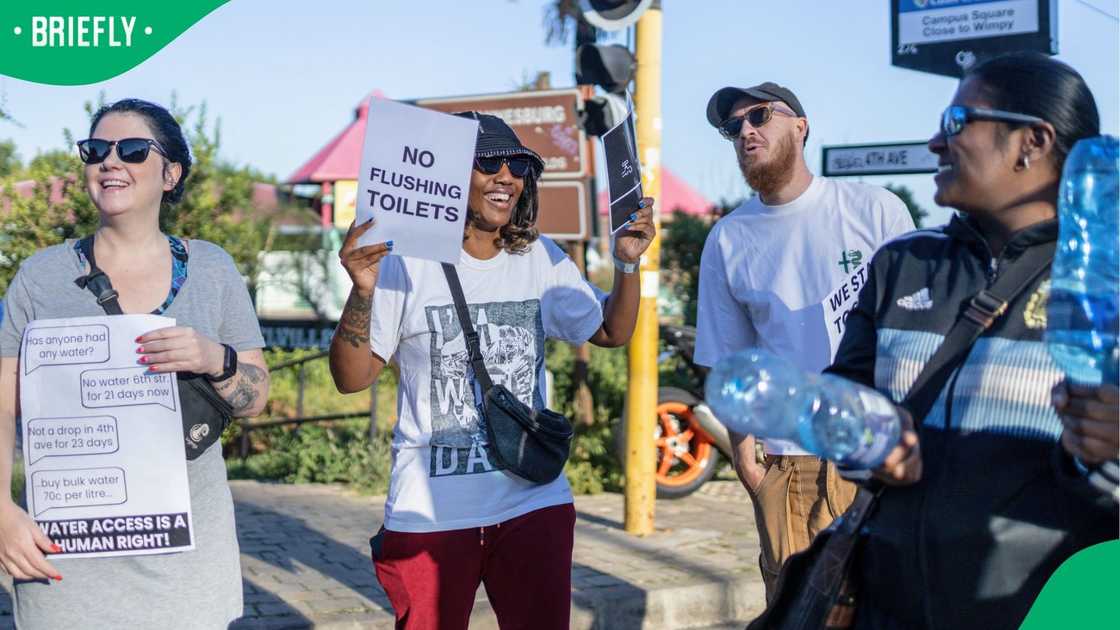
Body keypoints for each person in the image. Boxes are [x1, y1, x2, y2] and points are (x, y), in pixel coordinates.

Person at [826, 52, 1119, 629]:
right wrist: (863, 437)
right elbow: (840, 395)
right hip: (889, 608)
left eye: (956, 122)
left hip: (1049, 611)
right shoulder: (902, 264)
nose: (936, 142)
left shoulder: (1103, 283)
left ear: (1031, 142)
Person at [328, 112, 654, 630]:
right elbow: (351, 378)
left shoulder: (539, 258)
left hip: (534, 502)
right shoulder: (401, 263)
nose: (507, 176)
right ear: (447, 177)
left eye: (518, 165)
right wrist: (362, 291)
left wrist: (628, 263)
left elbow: (610, 332)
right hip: (431, 512)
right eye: (488, 163)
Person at [0, 98, 269, 628]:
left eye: (133, 150)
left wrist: (214, 357)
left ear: (171, 173)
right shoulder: (40, 276)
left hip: (187, 563)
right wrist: (1, 512)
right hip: (65, 555)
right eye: (96, 149)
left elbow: (257, 397)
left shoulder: (213, 268)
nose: (110, 161)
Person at [694, 81, 915, 601]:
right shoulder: (728, 238)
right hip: (787, 466)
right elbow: (729, 361)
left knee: (887, 607)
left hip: (876, 453)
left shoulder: (875, 210)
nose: (746, 131)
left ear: (800, 125)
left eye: (760, 116)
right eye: (734, 127)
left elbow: (914, 333)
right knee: (799, 612)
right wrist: (748, 460)